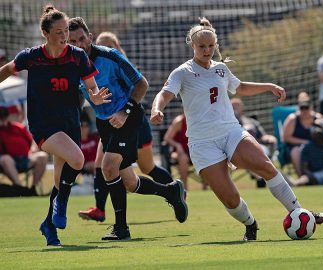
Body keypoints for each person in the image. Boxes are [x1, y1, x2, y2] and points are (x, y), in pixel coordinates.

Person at [150, 17, 323, 241]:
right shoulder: (182, 72)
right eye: (201, 46)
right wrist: (156, 109)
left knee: (265, 166)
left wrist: (269, 86)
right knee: (229, 198)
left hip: (230, 132)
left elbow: (241, 87)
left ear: (215, 45)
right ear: (192, 46)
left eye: (210, 46)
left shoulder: (221, 70)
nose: (207, 50)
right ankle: (250, 224)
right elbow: (164, 94)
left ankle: (299, 212)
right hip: (202, 143)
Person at [0, 5, 111, 246]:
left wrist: (94, 96)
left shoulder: (77, 56)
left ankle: (49, 227)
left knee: (61, 177)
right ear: (46, 33)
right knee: (78, 160)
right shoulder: (31, 56)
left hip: (69, 122)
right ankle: (60, 205)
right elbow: (8, 69)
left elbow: (91, 85)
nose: (64, 36)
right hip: (43, 124)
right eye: (59, 32)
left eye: (65, 31)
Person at [68, 18, 187, 240]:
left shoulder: (110, 56)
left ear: (90, 37)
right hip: (105, 122)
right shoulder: (71, 65)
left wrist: (124, 113)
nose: (79, 44)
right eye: (73, 41)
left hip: (129, 116)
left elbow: (142, 84)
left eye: (82, 38)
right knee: (130, 183)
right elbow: (77, 97)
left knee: (108, 167)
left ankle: (121, 229)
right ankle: (170, 191)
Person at [231, 97, 277, 188]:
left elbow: (262, 135)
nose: (235, 108)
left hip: (257, 146)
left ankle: (261, 178)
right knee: (245, 154)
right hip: (237, 151)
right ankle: (260, 178)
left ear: (242, 108)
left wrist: (270, 137)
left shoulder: (252, 122)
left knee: (260, 151)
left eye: (237, 105)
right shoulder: (228, 124)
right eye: (232, 106)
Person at [0, 106, 48, 188]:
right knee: (6, 159)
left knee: (42, 156)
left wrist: (33, 148)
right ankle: (19, 187)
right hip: (7, 161)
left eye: (4, 117)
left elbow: (33, 141)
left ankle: (33, 188)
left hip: (25, 159)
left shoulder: (19, 127)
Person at [283, 92, 323, 176]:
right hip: (297, 147)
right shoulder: (292, 119)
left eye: (306, 107)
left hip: (317, 146)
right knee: (296, 151)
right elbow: (286, 138)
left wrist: (321, 141)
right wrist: (305, 142)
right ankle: (303, 177)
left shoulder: (318, 117)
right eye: (302, 108)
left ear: (311, 107)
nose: (304, 110)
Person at [292, 120, 323, 186]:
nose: (315, 131)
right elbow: (304, 168)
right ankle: (291, 184)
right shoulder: (307, 148)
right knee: (302, 181)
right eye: (314, 128)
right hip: (313, 175)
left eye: (318, 128)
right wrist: (313, 178)